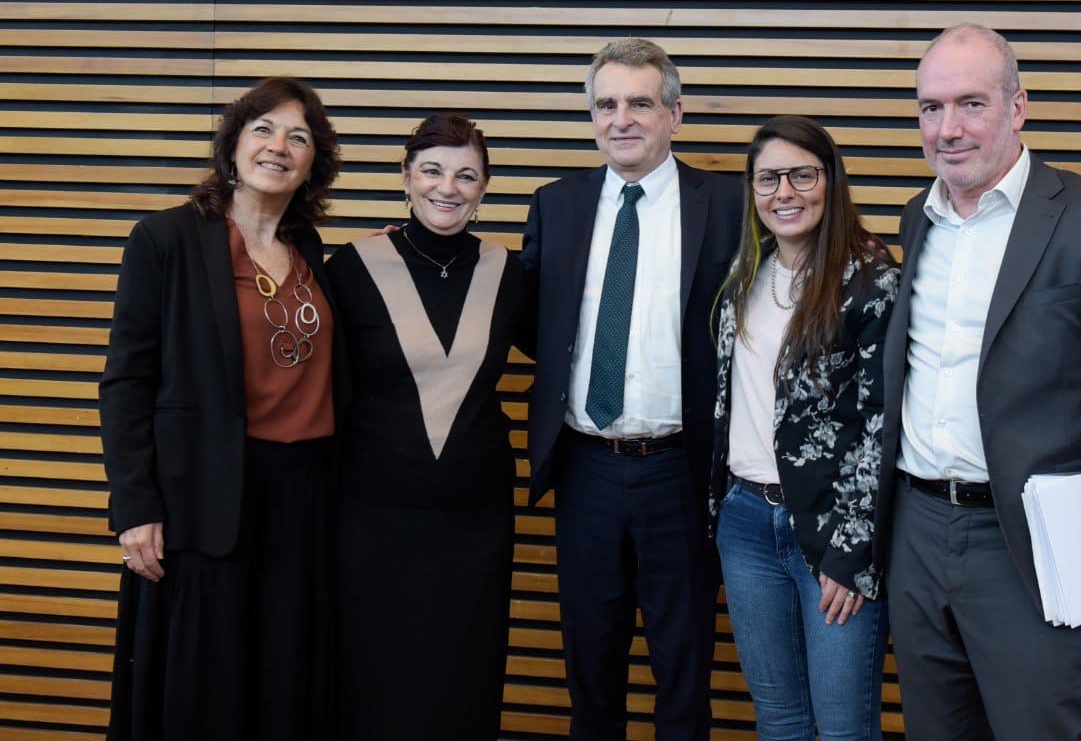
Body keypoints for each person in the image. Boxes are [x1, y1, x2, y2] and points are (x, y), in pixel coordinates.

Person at [874, 23, 1081, 740]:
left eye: (970, 104)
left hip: (1029, 545)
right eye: (929, 107)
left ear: (1018, 108)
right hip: (917, 534)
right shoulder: (916, 221)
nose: (947, 128)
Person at [100, 77, 345, 740]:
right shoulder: (166, 241)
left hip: (302, 502)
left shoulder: (312, 255)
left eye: (299, 137)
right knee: (202, 689)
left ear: (314, 163)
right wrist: (135, 508)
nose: (279, 145)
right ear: (233, 143)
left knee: (281, 684)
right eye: (263, 128)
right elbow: (126, 382)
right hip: (202, 500)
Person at [520, 37, 741, 740]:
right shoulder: (556, 205)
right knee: (591, 667)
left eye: (640, 103)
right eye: (607, 103)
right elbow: (526, 318)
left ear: (674, 115)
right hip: (584, 468)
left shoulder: (732, 204)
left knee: (683, 671)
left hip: (680, 470)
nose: (622, 118)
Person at [326, 113, 529, 740]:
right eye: (433, 171)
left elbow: (575, 357)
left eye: (466, 175)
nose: (449, 187)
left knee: (465, 677)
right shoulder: (352, 268)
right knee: (373, 675)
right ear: (406, 178)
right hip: (371, 517)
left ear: (485, 187)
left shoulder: (511, 273)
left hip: (475, 519)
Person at [708, 115, 897, 741]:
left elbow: (881, 424)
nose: (784, 192)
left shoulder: (870, 281)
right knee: (781, 722)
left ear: (830, 181)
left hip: (831, 537)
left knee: (843, 730)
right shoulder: (744, 273)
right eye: (768, 179)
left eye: (801, 175)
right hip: (745, 523)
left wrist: (852, 552)